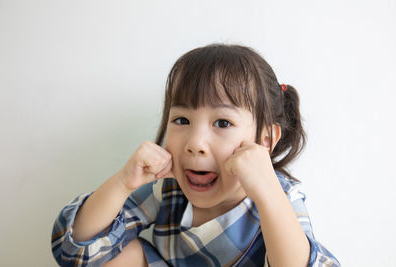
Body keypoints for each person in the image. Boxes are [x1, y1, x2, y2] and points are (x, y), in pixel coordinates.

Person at [51, 44, 340, 267]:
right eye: (182, 121)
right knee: (123, 254)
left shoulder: (282, 195)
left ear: (264, 141)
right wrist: (123, 182)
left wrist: (268, 195)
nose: (195, 143)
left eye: (223, 123)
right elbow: (76, 249)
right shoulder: (168, 190)